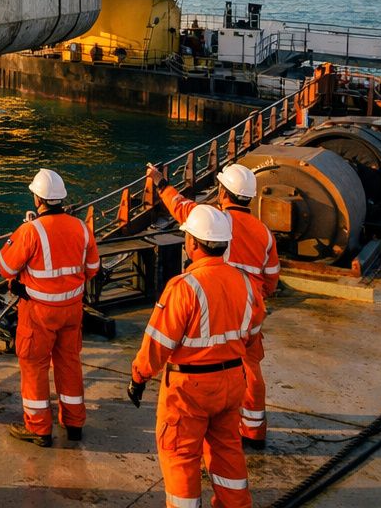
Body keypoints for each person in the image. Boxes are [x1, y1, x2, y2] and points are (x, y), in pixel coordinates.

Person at [127, 205, 264, 508]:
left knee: (180, 455)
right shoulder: (247, 284)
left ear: (192, 243)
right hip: (232, 382)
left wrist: (139, 376)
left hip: (190, 389)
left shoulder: (184, 287)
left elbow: (157, 343)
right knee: (227, 450)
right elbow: (253, 335)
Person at [148, 162, 280, 447]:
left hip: (210, 303)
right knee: (250, 368)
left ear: (222, 192)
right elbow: (271, 279)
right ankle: (254, 430)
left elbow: (180, 205)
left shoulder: (209, 222)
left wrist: (160, 183)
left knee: (206, 364)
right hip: (248, 309)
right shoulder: (264, 233)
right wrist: (256, 299)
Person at [0, 169, 100, 446]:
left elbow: (6, 267)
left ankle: (39, 427)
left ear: (37, 199)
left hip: (38, 312)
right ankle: (74, 422)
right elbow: (92, 269)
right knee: (69, 364)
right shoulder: (81, 228)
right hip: (72, 309)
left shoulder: (30, 231)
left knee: (34, 366)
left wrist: (18, 236)